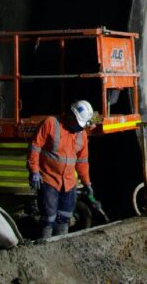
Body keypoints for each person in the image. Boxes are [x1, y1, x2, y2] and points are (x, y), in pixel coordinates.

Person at [28, 99, 95, 238]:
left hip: (69, 183)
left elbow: (82, 162)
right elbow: (35, 147)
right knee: (49, 217)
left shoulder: (81, 134)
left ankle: (60, 248)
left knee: (64, 218)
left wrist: (87, 183)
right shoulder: (51, 123)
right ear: (71, 116)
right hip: (49, 180)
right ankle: (45, 246)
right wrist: (34, 171)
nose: (79, 128)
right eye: (78, 123)